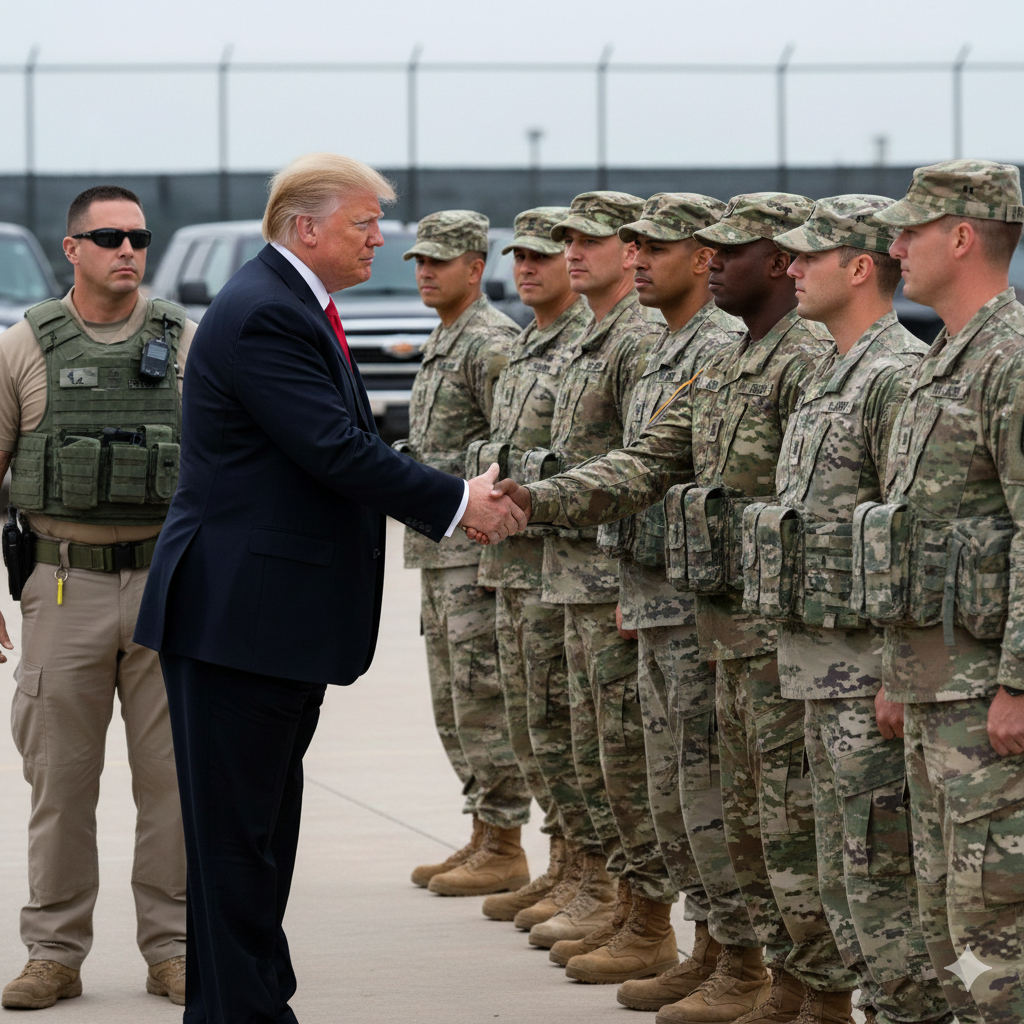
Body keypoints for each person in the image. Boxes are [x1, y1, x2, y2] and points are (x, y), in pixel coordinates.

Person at [132, 152, 526, 1024]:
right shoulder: (269, 314)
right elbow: (336, 451)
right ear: (304, 228)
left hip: (262, 619)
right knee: (238, 841)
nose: (381, 240)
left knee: (259, 833)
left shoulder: (289, 305)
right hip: (238, 618)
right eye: (364, 223)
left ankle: (255, 1001)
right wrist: (461, 501)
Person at [491, 195, 865, 1024]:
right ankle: (737, 959)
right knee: (721, 813)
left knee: (788, 820)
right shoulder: (730, 362)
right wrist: (534, 499)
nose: (716, 263)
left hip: (779, 639)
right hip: (715, 628)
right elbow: (645, 462)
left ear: (774, 262)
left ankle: (807, 989)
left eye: (733, 252)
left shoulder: (806, 359)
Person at [0, 185, 193, 1010]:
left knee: (176, 784)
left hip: (169, 589)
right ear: (71, 248)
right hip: (63, 582)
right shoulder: (25, 344)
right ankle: (54, 952)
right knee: (60, 783)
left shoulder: (187, 338)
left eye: (139, 236)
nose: (128, 249)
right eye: (108, 236)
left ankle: (176, 947)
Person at [764, 195, 952, 1024]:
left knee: (881, 878)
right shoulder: (829, 372)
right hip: (817, 670)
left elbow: (914, 541)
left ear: (860, 267)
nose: (793, 270)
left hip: (866, 679)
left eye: (809, 258)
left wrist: (896, 671)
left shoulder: (893, 378)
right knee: (846, 875)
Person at [576, 193, 758, 1009]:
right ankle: (698, 938)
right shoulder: (667, 346)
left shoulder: (718, 343)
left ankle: (740, 960)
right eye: (636, 244)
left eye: (659, 245)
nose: (640, 257)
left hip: (702, 608)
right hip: (652, 594)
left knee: (711, 791)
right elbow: (640, 465)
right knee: (666, 789)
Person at [862, 160, 1024, 1024]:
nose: (893, 248)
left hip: (986, 702)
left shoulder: (1010, 360)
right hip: (933, 690)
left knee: (997, 940)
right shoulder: (940, 362)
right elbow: (917, 534)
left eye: (909, 232)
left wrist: (1019, 682)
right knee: (944, 929)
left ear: (962, 237)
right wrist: (898, 670)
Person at [518, 191, 679, 984]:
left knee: (624, 754)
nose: (571, 252)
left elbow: (641, 468)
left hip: (611, 576)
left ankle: (644, 914)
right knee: (589, 751)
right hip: (572, 573)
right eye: (566, 241)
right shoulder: (594, 337)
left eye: (590, 240)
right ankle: (610, 888)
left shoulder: (639, 339)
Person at [398, 210, 532, 897]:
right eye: (419, 262)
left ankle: (506, 838)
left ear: (476, 268)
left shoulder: (491, 343)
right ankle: (484, 828)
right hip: (436, 549)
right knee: (452, 699)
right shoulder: (448, 337)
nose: (424, 272)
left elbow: (505, 453)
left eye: (439, 262)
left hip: (470, 554)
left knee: (482, 697)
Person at [474, 206, 594, 923]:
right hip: (521, 569)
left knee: (572, 735)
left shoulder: (591, 343)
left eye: (544, 255)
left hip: (568, 572)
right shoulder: (527, 344)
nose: (526, 267)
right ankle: (567, 864)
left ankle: (598, 880)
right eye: (518, 255)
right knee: (537, 731)